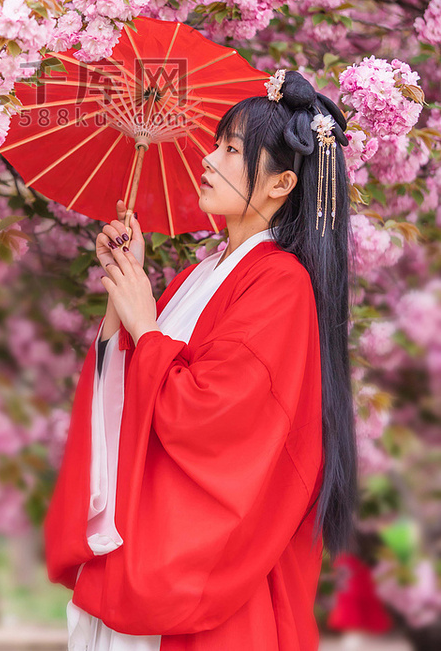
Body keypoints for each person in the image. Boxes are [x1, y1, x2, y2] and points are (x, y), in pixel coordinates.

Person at [44, 69, 359, 651]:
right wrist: (125, 292)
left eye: (231, 150)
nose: (208, 161)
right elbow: (133, 389)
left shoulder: (281, 283)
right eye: (217, 145)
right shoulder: (201, 274)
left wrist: (146, 322)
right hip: (148, 536)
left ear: (280, 183)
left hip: (207, 566)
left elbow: (216, 420)